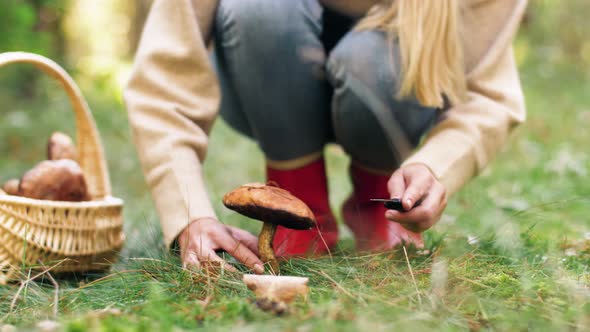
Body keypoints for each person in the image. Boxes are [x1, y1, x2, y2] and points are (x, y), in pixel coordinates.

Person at [124, 0, 527, 273]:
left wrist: (434, 167)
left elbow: (487, 96)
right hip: (257, 75)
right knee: (260, 9)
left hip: (399, 86)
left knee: (372, 57)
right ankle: (303, 211)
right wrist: (190, 214)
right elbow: (164, 84)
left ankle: (379, 207)